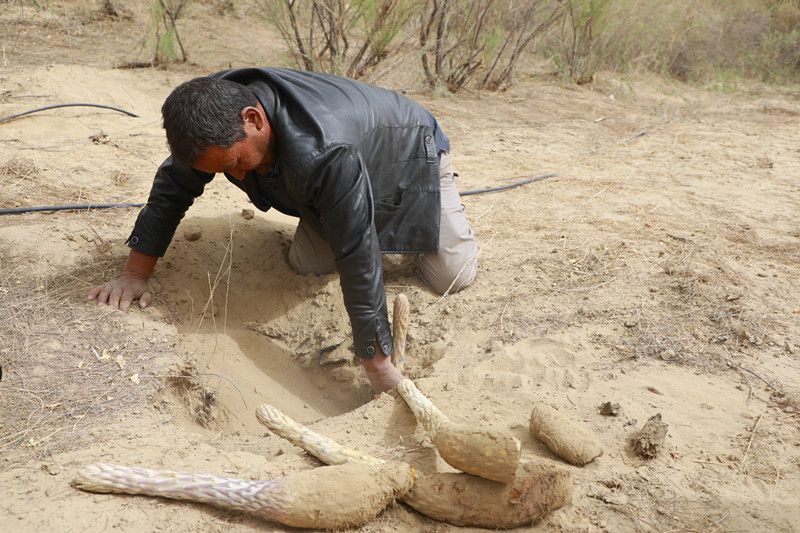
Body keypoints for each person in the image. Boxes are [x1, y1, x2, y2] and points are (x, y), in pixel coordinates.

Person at [88, 67, 477, 394]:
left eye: (237, 162)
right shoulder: (208, 118)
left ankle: (413, 210)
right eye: (224, 170)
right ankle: (337, 207)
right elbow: (173, 188)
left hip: (406, 152)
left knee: (451, 275)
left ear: (254, 120)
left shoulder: (325, 147)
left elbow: (357, 252)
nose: (237, 176)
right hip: (332, 172)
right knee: (309, 263)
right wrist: (134, 274)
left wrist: (378, 365)